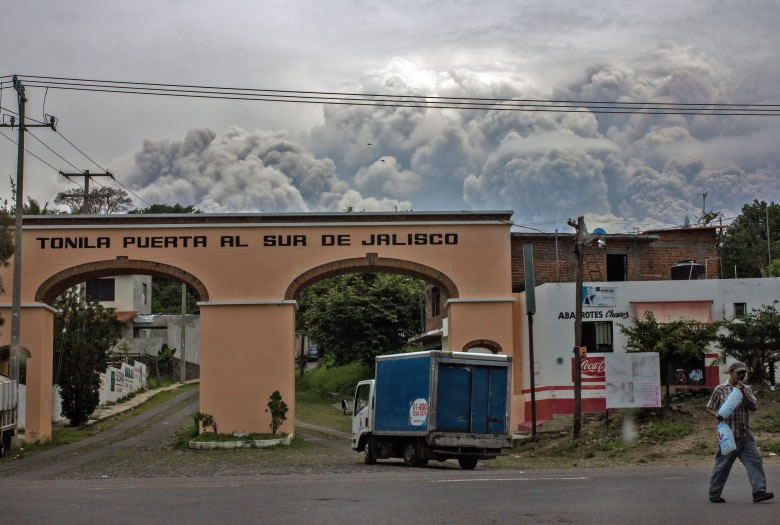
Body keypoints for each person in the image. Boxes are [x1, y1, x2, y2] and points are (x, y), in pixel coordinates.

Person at [706, 361, 774, 503]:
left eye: (744, 373)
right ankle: (714, 493)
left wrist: (742, 393)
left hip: (744, 434)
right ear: (731, 372)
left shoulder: (746, 389)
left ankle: (759, 492)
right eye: (739, 373)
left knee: (755, 461)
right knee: (722, 465)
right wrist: (716, 415)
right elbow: (710, 407)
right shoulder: (720, 389)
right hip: (728, 435)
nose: (741, 375)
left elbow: (753, 407)